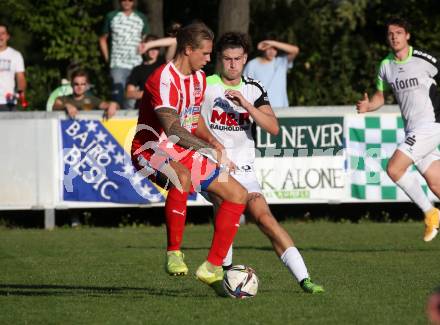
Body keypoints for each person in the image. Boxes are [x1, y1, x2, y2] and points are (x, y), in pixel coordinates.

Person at [201, 31, 324, 294]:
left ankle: (305, 280)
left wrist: (246, 105)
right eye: (227, 59)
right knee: (225, 203)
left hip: (245, 171)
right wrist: (211, 148)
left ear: (245, 59)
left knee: (265, 219)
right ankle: (225, 273)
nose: (232, 64)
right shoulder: (205, 84)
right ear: (220, 60)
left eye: (237, 59)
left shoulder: (253, 89)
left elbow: (273, 127)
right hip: (216, 167)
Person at [130, 22, 248, 293]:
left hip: (181, 148)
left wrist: (213, 142)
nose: (209, 59)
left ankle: (212, 268)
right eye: (205, 53)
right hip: (149, 148)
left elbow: (192, 124)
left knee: (238, 195)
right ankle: (174, 252)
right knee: (181, 176)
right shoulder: (161, 78)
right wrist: (207, 150)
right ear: (188, 49)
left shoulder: (198, 78)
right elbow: (172, 129)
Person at [356, 17, 440, 242]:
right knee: (435, 183)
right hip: (413, 130)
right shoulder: (386, 65)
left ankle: (431, 213)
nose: (394, 36)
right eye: (391, 33)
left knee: (394, 169)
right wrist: (369, 106)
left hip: (431, 125)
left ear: (407, 36)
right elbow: (380, 97)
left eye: (399, 32)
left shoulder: (425, 59)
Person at [99, 0, 149, 109]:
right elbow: (103, 39)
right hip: (117, 64)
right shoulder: (111, 16)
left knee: (132, 100)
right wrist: (108, 59)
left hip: (136, 64)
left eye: (130, 0)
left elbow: (145, 40)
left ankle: (130, 125)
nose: (126, 2)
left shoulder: (141, 17)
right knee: (116, 97)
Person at [243, 37, 299, 108]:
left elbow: (295, 50)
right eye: (269, 48)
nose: (272, 52)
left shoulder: (281, 62)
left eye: (275, 49)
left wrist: (271, 43)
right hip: (260, 111)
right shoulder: (252, 65)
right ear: (263, 48)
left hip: (281, 109)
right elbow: (245, 88)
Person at [125, 34, 177, 109]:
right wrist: (149, 94)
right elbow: (128, 93)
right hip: (143, 111)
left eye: (155, 48)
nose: (153, 50)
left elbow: (174, 41)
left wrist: (149, 45)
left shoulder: (164, 63)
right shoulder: (138, 69)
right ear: (145, 50)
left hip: (163, 110)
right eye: (150, 48)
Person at [53, 69, 118, 119]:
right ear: (71, 84)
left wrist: (113, 105)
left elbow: (105, 105)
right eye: (76, 84)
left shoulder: (91, 99)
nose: (79, 87)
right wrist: (66, 106)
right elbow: (55, 106)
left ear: (86, 85)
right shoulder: (63, 99)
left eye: (82, 84)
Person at [0, 23, 26, 111]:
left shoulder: (15, 55)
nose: (0, 36)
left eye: (3, 33)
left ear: (7, 36)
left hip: (8, 102)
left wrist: (20, 92)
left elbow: (20, 77)